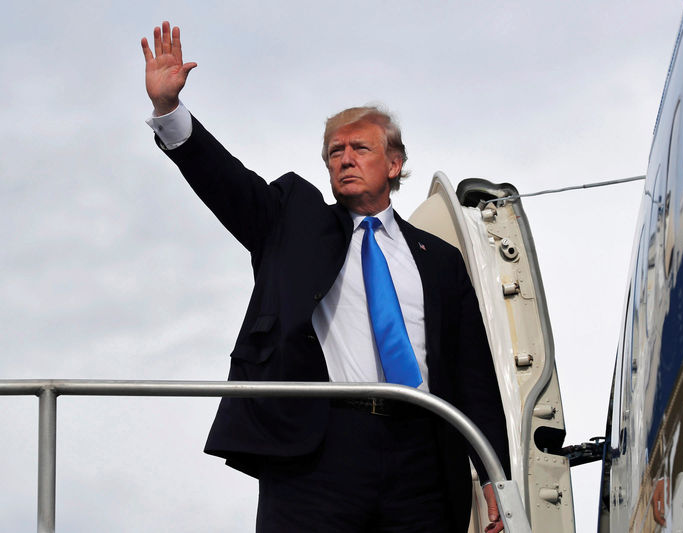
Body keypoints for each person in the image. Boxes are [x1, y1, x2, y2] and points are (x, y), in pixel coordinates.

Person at [140, 21, 510, 533]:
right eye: (335, 152)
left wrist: (498, 480)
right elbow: (228, 184)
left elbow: (474, 377)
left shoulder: (441, 260)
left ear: (395, 164)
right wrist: (169, 111)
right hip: (319, 450)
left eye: (360, 148)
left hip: (423, 456)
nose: (345, 159)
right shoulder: (294, 221)